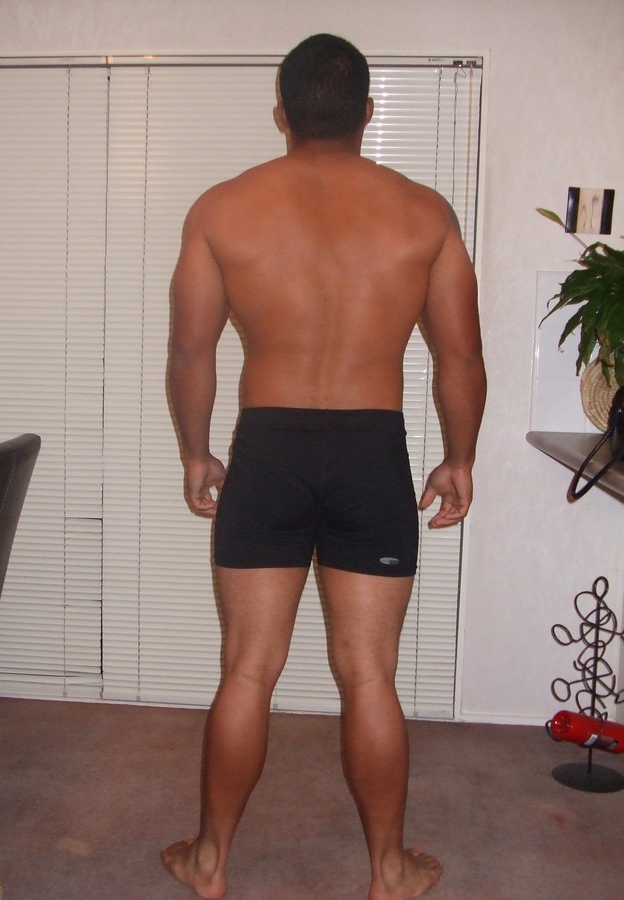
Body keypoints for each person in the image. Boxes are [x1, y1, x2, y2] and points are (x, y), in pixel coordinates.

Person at [162, 33, 486, 900]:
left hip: (266, 451)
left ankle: (209, 862)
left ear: (282, 114)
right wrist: (459, 458)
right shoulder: (423, 214)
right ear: (367, 114)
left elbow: (191, 352)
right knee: (369, 673)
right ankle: (389, 870)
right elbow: (460, 359)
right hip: (368, 454)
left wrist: (196, 451)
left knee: (247, 668)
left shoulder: (222, 209)